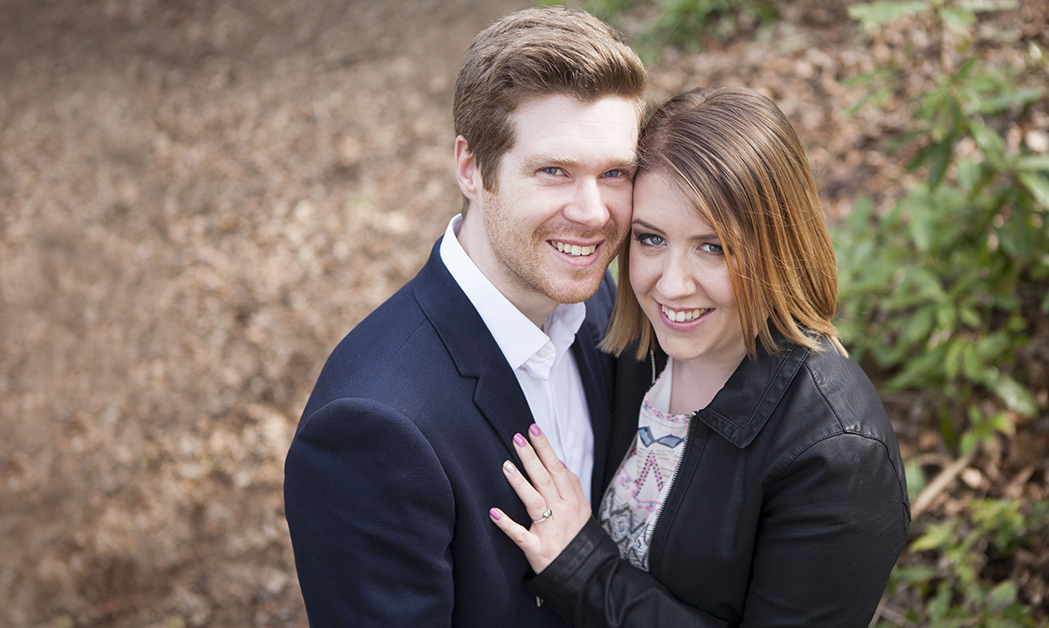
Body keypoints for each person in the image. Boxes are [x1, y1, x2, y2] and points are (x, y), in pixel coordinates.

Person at [490, 86, 911, 627]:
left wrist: (584, 569)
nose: (671, 285)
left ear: (777, 247)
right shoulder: (630, 352)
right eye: (650, 239)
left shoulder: (838, 454)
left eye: (713, 247)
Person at [283, 7, 646, 627]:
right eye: (554, 171)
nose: (593, 213)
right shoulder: (372, 427)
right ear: (472, 168)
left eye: (615, 173)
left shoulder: (600, 307)